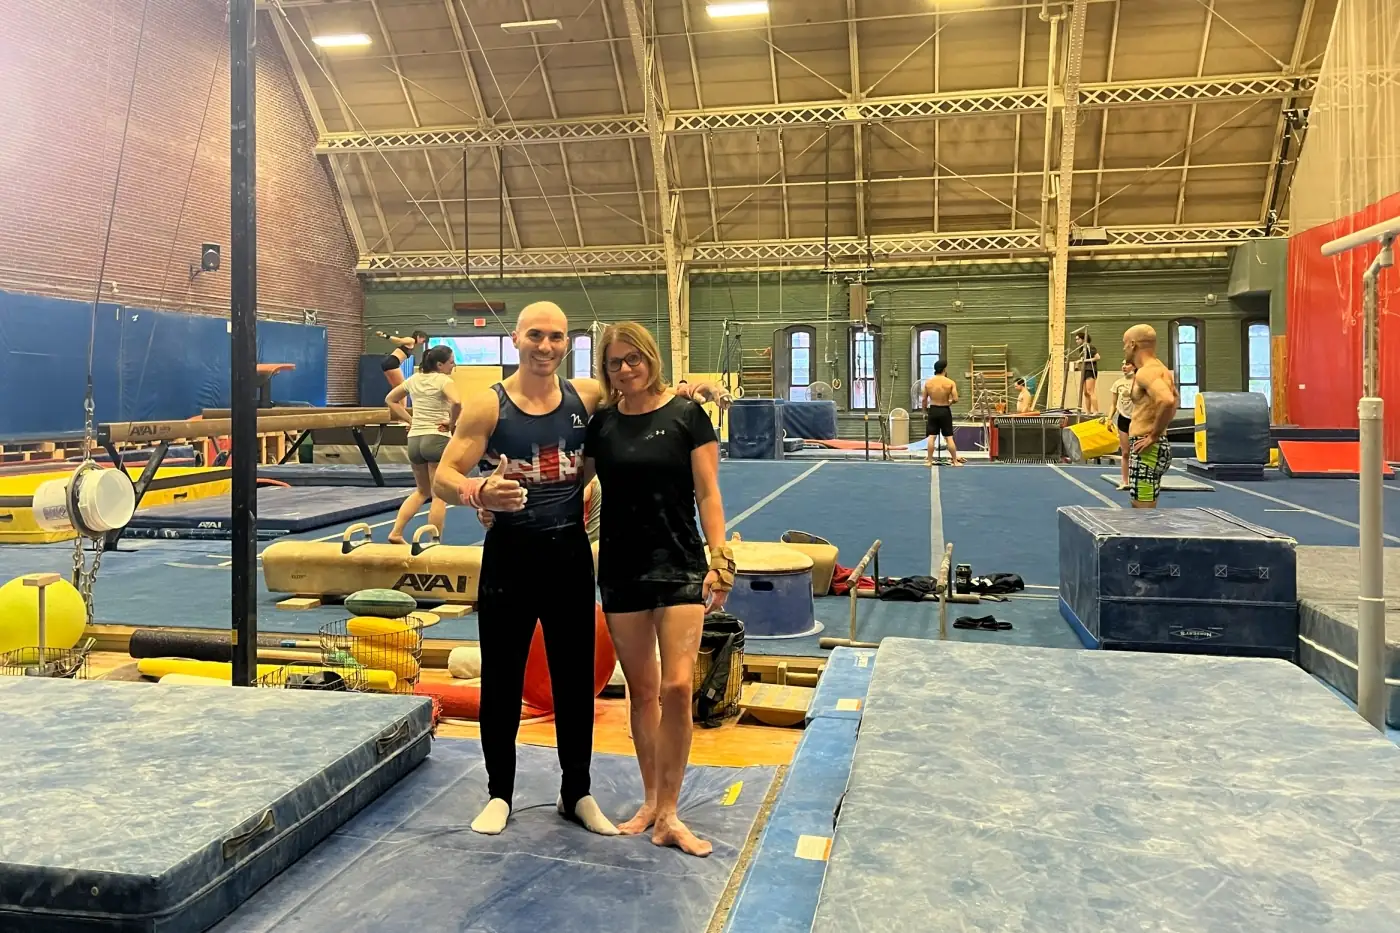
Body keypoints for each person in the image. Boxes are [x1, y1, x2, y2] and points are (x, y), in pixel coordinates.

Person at [432, 301, 728, 839]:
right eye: (536, 336)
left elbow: (644, 400)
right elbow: (443, 478)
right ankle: (500, 792)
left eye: (557, 338)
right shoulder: (486, 406)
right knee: (501, 677)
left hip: (569, 555)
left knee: (574, 683)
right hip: (510, 558)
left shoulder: (585, 399)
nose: (545, 347)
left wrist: (688, 388)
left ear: (568, 345)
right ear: (517, 339)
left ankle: (577, 792)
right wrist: (478, 491)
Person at [582, 321, 732, 858]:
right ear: (607, 369)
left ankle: (670, 810)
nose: (626, 369)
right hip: (621, 566)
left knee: (676, 687)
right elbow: (568, 486)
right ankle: (651, 802)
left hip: (679, 562)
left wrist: (721, 556)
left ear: (651, 359)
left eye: (634, 359)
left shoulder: (688, 417)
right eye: (616, 362)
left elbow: (709, 493)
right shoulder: (601, 426)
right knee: (641, 692)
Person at [384, 345, 459, 543]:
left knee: (421, 491)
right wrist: (452, 424)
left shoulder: (413, 380)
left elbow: (390, 399)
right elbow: (458, 403)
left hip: (415, 440)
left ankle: (396, 532)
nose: (454, 365)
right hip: (436, 438)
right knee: (438, 495)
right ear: (440, 365)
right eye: (452, 362)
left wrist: (410, 420)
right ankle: (434, 541)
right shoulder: (444, 380)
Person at [1123, 325, 1179, 508]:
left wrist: (1153, 435)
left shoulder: (1146, 372)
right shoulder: (1162, 369)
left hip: (1147, 448)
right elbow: (1175, 399)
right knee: (1145, 510)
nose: (1124, 349)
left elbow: (1167, 400)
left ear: (1132, 345)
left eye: (1124, 344)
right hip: (1155, 446)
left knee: (1143, 514)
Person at [919, 360, 965, 466]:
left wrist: (924, 411)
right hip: (944, 410)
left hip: (933, 410)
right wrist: (949, 402)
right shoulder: (950, 382)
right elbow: (956, 398)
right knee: (949, 437)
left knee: (931, 437)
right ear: (944, 369)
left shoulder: (928, 383)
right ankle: (955, 461)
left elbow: (924, 400)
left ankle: (929, 461)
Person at [1108, 361, 1136, 490]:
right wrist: (1109, 419)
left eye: (1128, 364)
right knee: (1125, 452)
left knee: (1139, 452)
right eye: (1123, 364)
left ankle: (1138, 479)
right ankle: (1125, 481)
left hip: (1137, 419)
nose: (1124, 366)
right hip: (1123, 419)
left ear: (1134, 366)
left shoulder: (1140, 382)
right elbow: (1113, 404)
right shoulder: (1118, 383)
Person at [1073, 332, 1101, 413]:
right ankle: (1088, 411)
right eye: (1076, 339)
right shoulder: (1081, 348)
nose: (1076, 341)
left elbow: (1097, 357)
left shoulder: (1089, 347)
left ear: (1083, 339)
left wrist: (1084, 360)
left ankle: (1096, 411)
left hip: (1090, 370)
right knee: (1085, 392)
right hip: (1084, 370)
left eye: (1078, 339)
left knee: (1090, 391)